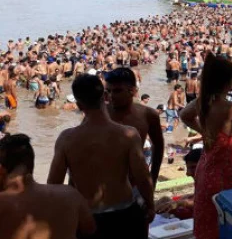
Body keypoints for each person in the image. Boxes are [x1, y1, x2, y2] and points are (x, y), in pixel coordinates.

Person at [47, 74, 155, 239]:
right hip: (125, 214)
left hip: (87, 218)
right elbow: (142, 177)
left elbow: (54, 185)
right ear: (105, 96)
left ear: (78, 104)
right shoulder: (128, 134)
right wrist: (150, 205)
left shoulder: (66, 139)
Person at [179, 54, 232, 239]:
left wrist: (205, 132)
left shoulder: (202, 102)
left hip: (207, 173)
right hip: (230, 176)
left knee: (209, 223)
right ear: (229, 81)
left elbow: (184, 115)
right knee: (231, 223)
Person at [0, 134, 96, 239]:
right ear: (31, 164)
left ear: (1, 170)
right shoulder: (70, 195)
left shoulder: (3, 203)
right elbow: (89, 229)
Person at [105, 68, 164, 186]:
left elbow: (158, 146)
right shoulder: (99, 113)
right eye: (108, 91)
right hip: (105, 183)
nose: (111, 96)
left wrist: (153, 177)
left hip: (135, 182)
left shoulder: (148, 115)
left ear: (132, 91)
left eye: (117, 91)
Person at [156, 148, 202, 220]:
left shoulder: (212, 183)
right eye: (188, 168)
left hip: (197, 218)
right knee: (164, 200)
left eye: (193, 167)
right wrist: (183, 198)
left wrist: (181, 203)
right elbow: (198, 196)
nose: (188, 173)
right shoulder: (200, 181)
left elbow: (204, 204)